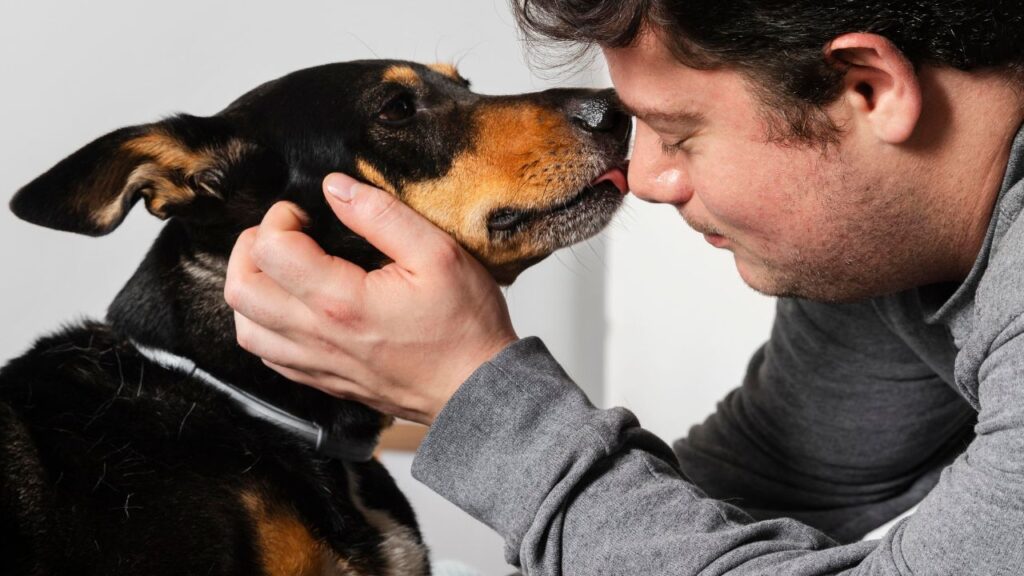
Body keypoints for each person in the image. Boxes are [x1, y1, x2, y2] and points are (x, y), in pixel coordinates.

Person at [223, 1, 1024, 573]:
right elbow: (770, 483)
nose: (643, 178)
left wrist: (480, 397)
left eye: (678, 133)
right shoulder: (883, 254)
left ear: (868, 88)